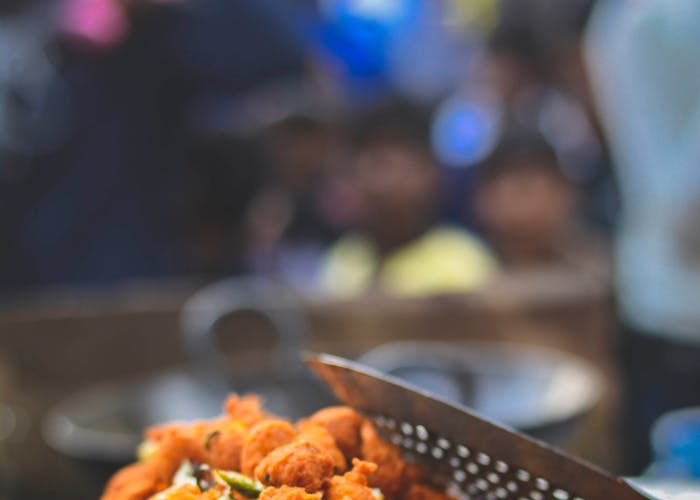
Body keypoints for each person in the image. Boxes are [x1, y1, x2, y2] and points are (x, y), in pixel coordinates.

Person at [0, 0, 305, 290]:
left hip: (119, 286)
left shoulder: (150, 39)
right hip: (20, 289)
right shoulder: (30, 32)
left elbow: (281, 53)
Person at [585, 0, 700, 474]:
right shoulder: (650, 20)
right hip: (675, 301)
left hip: (656, 293)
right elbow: (686, 215)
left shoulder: (622, 18)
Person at [319, 98, 498, 298]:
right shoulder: (343, 256)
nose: (389, 181)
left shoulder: (464, 260)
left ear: (432, 173)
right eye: (379, 164)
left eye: (404, 166)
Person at [473, 124, 604, 271]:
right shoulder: (469, 266)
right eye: (516, 190)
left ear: (563, 193)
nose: (523, 205)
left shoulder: (595, 265)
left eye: (528, 187)